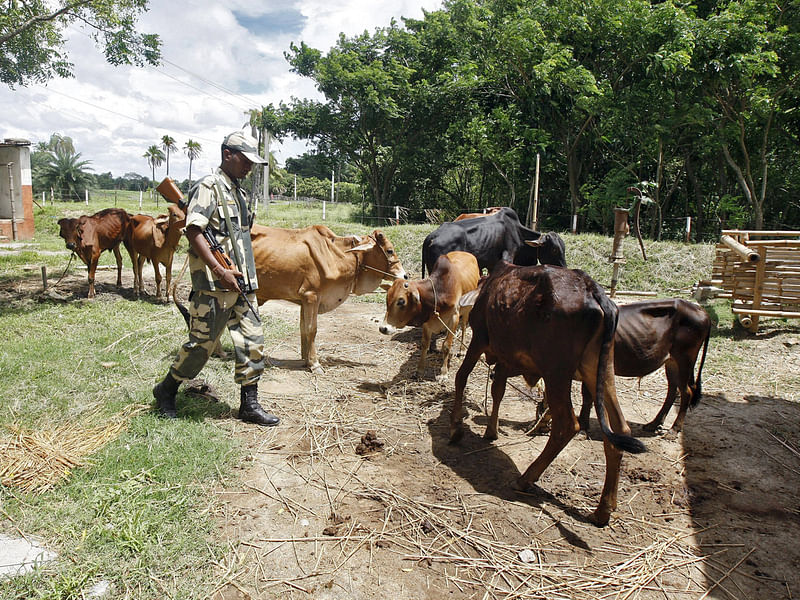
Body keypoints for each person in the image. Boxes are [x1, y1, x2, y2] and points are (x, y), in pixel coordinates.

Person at [152, 130, 279, 426]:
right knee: (202, 346)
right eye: (245, 160)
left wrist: (241, 271)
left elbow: (242, 234)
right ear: (227, 155)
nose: (248, 167)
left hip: (243, 280)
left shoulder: (239, 192)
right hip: (215, 285)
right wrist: (220, 270)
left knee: (252, 341)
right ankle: (166, 390)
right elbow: (194, 231)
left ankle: (249, 404)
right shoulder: (209, 186)